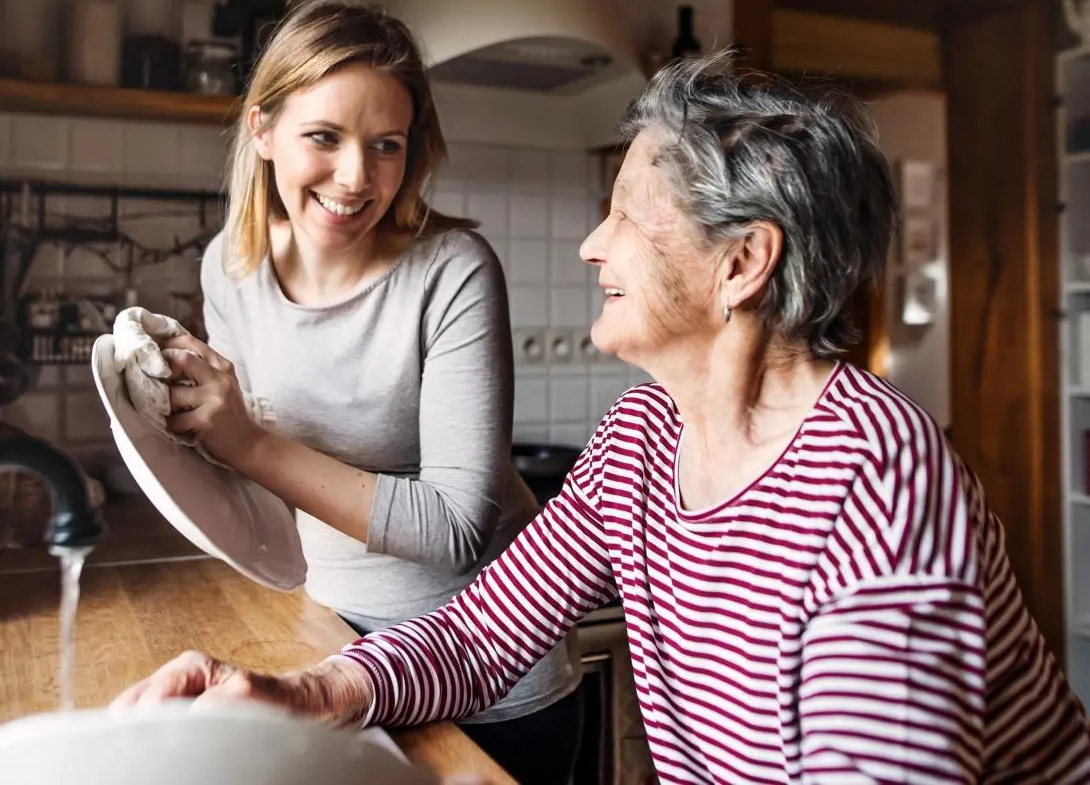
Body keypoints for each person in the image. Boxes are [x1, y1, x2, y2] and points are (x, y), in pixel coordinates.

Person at [115, 52, 1090, 783]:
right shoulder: (642, 439)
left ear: (740, 264)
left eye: (623, 213)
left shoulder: (876, 480)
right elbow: (481, 635)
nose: (590, 245)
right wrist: (304, 692)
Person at [142, 0, 583, 785]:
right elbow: (260, 482)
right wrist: (182, 424)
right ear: (263, 131)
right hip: (332, 645)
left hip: (489, 678)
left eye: (387, 145)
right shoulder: (229, 269)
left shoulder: (453, 273)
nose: (356, 177)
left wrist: (244, 438)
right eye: (324, 136)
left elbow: (455, 528)